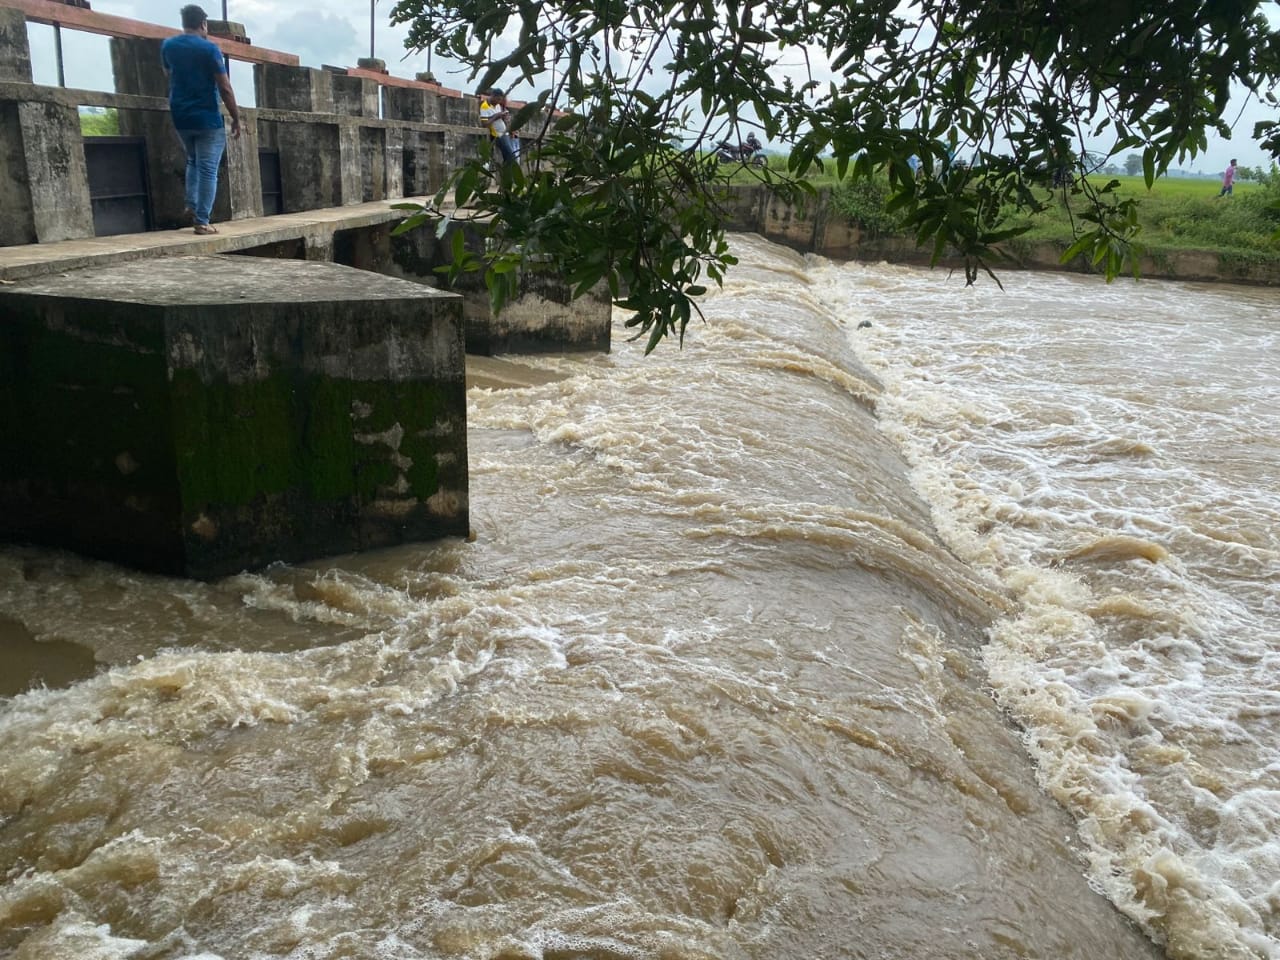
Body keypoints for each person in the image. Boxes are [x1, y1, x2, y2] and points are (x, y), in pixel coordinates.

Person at [161, 5, 240, 235]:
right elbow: (225, 87)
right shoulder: (209, 49)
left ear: (184, 22)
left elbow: (168, 75)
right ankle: (202, 220)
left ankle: (192, 204)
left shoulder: (168, 46)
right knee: (208, 168)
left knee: (193, 161)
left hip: (180, 115)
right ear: (203, 24)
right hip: (206, 117)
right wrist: (236, 117)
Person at [479, 88, 519, 166]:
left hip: (504, 133)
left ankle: (507, 172)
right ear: (493, 96)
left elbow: (499, 119)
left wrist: (504, 117)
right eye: (497, 99)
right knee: (511, 156)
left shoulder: (497, 105)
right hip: (498, 135)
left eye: (500, 100)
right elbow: (485, 124)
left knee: (509, 156)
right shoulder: (484, 106)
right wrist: (496, 116)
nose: (499, 102)